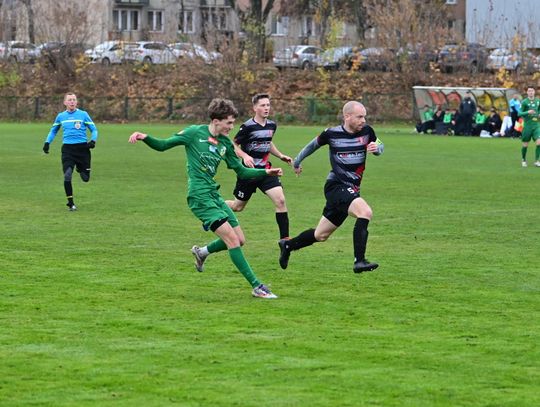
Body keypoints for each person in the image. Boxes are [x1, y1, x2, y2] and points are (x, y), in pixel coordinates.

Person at [128, 98, 282, 299]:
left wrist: (265, 172)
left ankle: (202, 252)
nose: (232, 127)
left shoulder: (225, 143)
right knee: (232, 241)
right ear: (216, 121)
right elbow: (163, 145)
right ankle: (256, 286)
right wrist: (144, 136)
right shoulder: (194, 133)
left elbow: (242, 171)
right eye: (228, 123)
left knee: (240, 240)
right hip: (199, 197)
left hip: (213, 195)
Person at [277, 101, 383, 274]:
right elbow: (312, 146)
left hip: (352, 189)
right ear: (347, 116)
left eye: (364, 117)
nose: (363, 120)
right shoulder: (331, 134)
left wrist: (377, 148)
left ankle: (288, 245)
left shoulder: (367, 131)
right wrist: (297, 161)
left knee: (321, 235)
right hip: (336, 186)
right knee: (365, 212)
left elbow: (380, 147)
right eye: (359, 117)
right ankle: (359, 261)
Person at [225, 93, 293, 240]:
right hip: (248, 173)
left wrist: (280, 155)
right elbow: (233, 144)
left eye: (268, 105)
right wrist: (245, 156)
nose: (266, 108)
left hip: (266, 171)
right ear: (255, 108)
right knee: (237, 207)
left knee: (280, 200)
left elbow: (267, 142)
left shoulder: (272, 125)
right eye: (263, 105)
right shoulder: (247, 127)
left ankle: (285, 241)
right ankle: (216, 207)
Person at [42, 92, 98, 211]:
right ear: (65, 102)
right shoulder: (61, 116)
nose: (72, 102)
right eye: (69, 100)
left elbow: (94, 129)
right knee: (67, 175)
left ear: (76, 102)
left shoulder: (83, 114)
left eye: (74, 100)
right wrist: (47, 143)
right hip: (68, 150)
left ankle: (80, 168)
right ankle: (71, 203)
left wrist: (93, 141)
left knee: (85, 178)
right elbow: (53, 131)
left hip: (83, 150)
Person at [518, 87, 540, 167]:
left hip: (536, 125)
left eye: (532, 91)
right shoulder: (524, 102)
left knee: (539, 142)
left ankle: (537, 161)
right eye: (529, 91)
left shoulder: (538, 100)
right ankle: (523, 160)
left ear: (534, 92)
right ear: (527, 92)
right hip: (527, 126)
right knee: (525, 145)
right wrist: (527, 112)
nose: (531, 92)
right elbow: (519, 113)